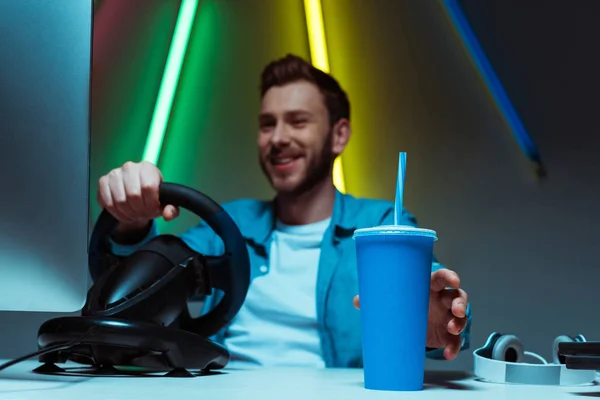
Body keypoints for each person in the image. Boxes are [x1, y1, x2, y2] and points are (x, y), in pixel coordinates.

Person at [96, 54, 472, 368]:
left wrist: (436, 320)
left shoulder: (382, 225)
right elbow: (145, 287)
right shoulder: (226, 225)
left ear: (339, 135)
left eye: (298, 121)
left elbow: (437, 306)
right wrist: (133, 221)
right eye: (266, 124)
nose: (278, 138)